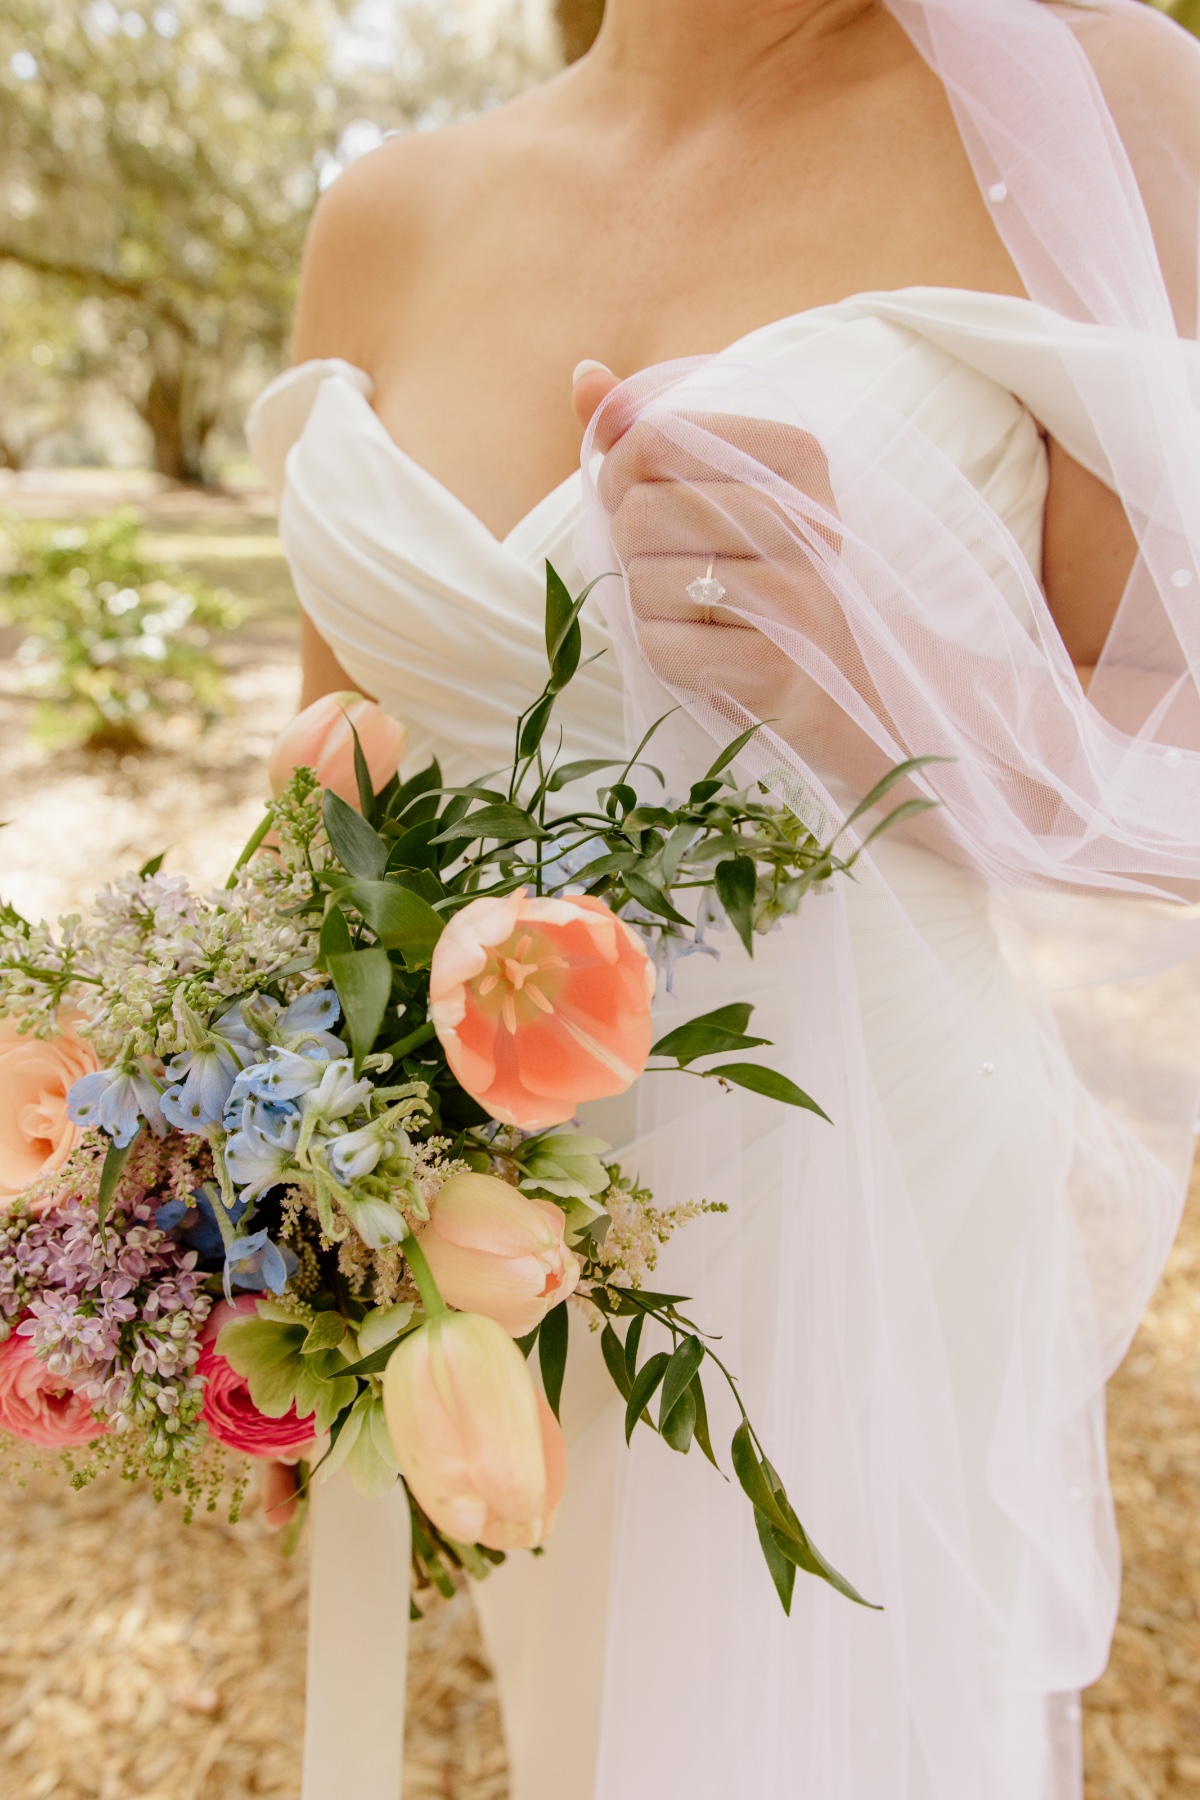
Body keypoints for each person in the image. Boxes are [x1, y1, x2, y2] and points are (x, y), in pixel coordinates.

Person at [246, 3, 1200, 1796]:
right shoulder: (390, 209)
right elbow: (327, 781)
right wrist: (253, 1209)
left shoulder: (1100, 100)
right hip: (492, 1230)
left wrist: (909, 683)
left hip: (858, 1192)